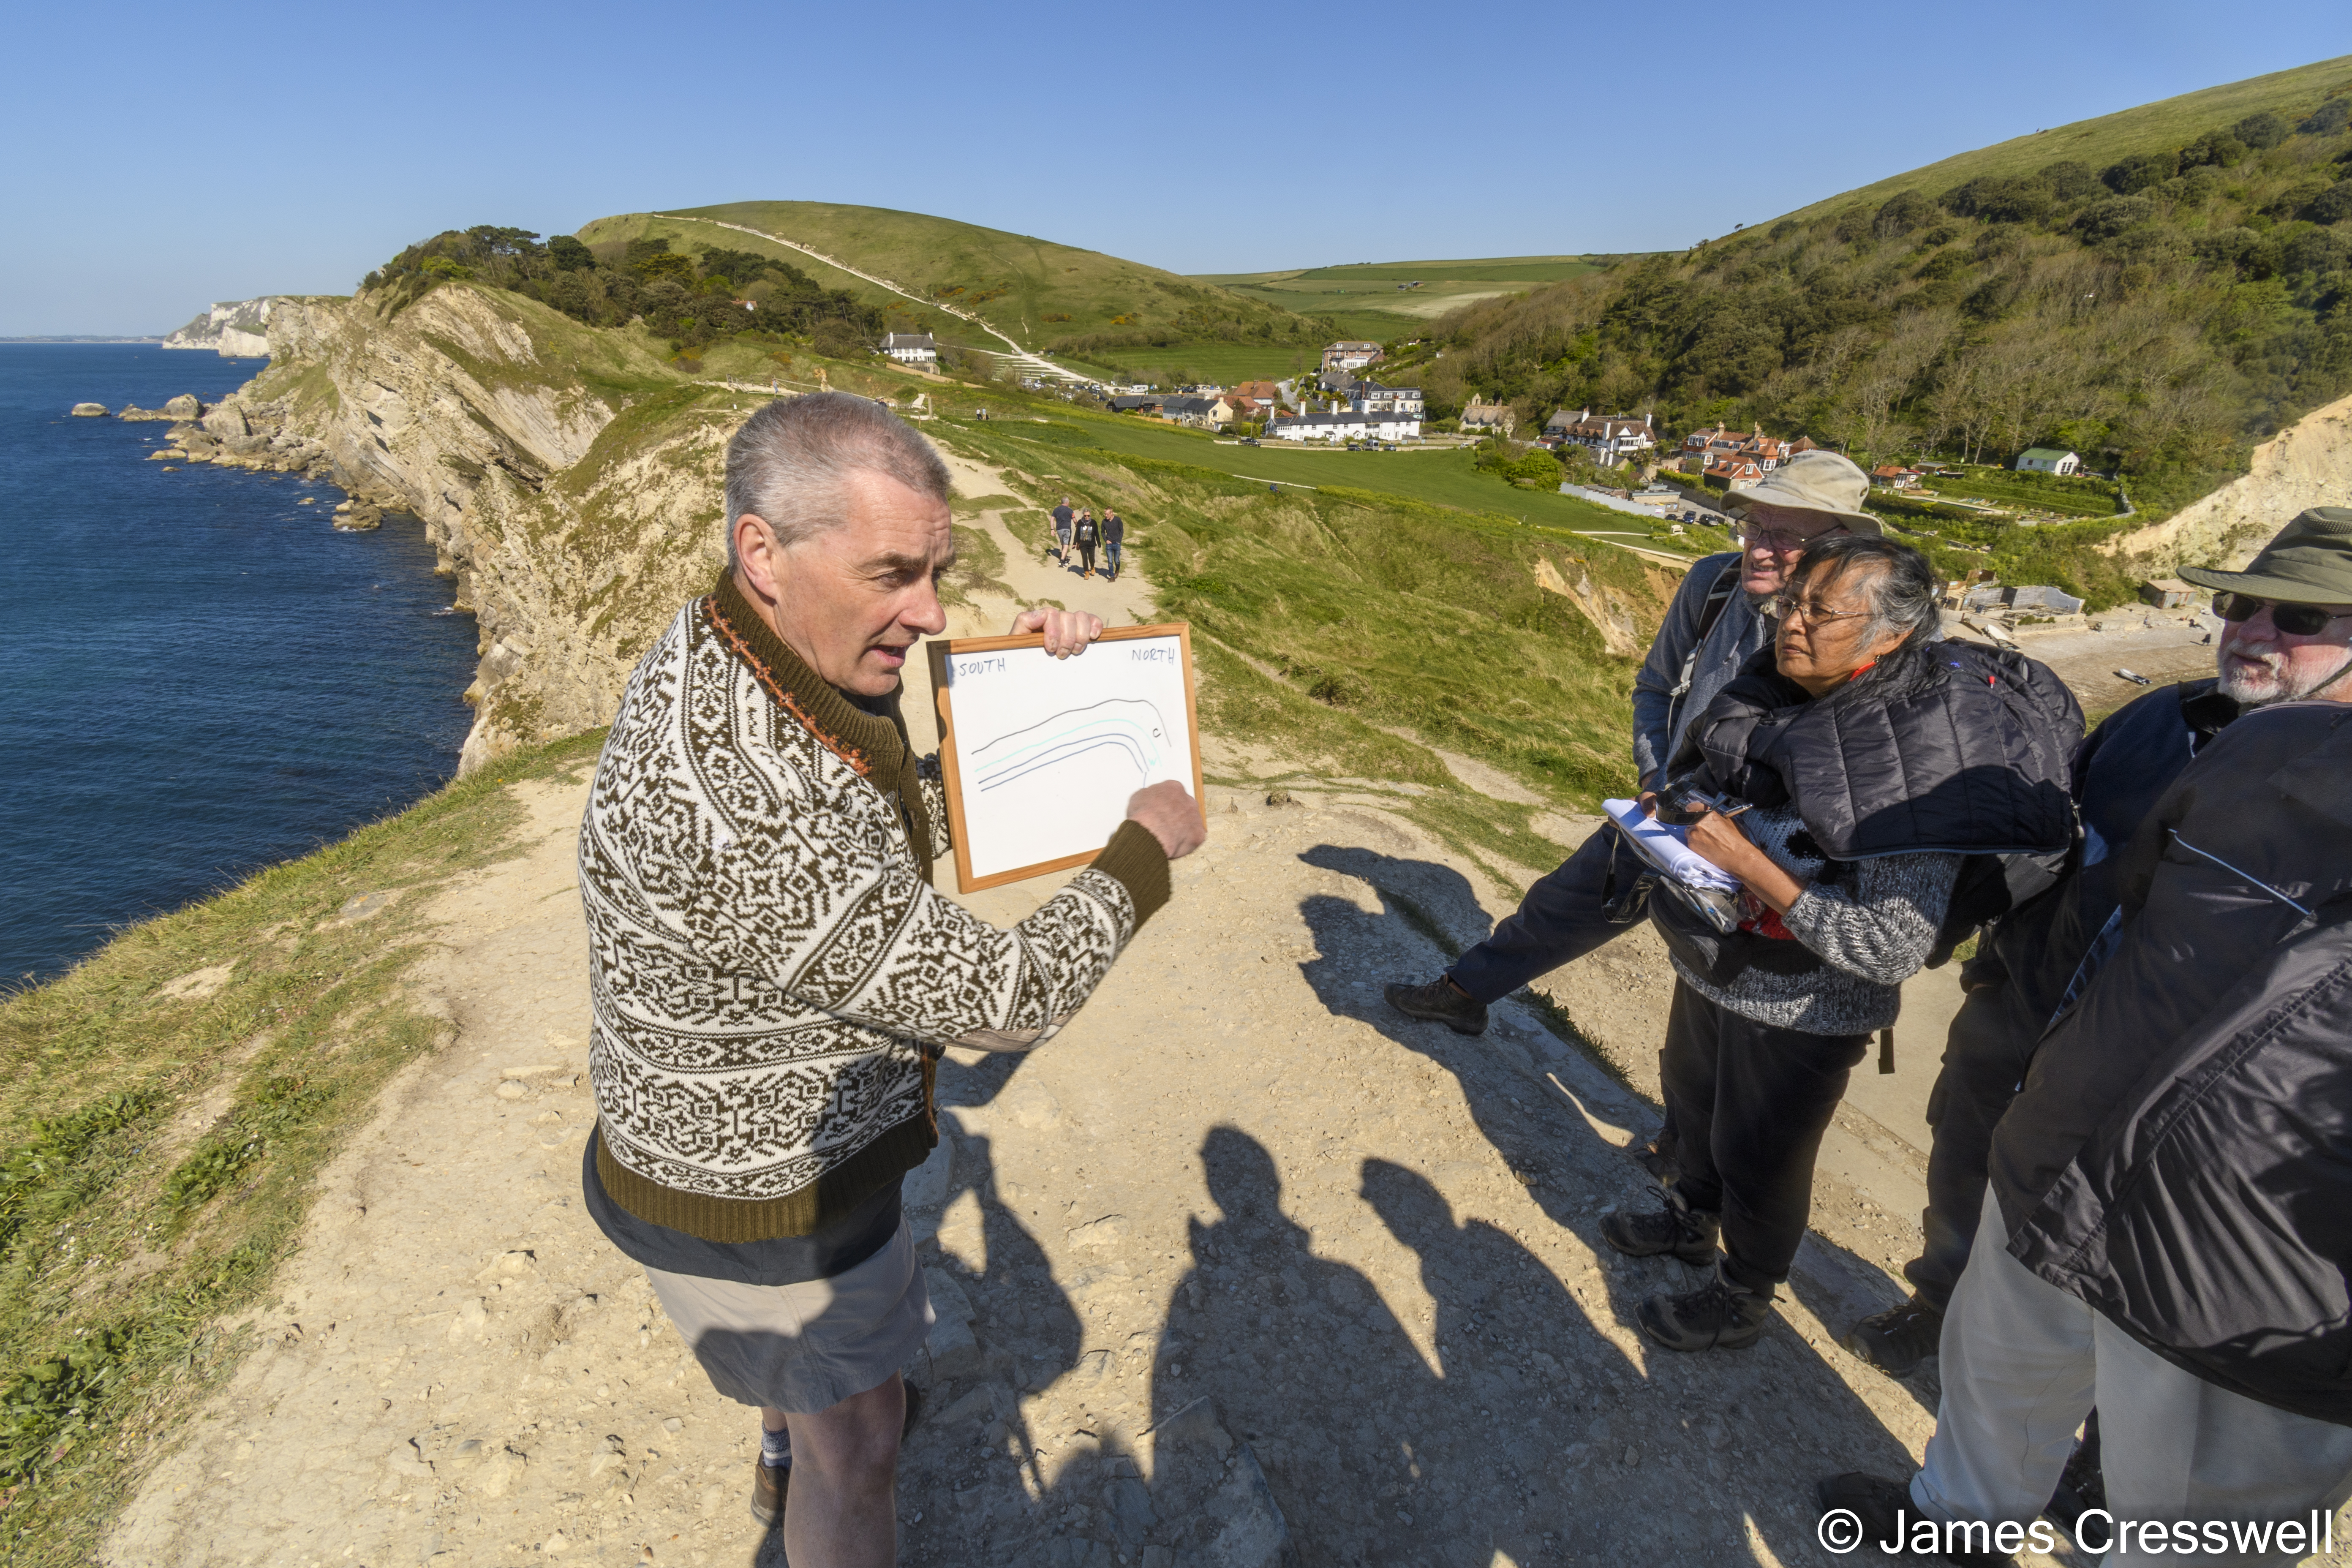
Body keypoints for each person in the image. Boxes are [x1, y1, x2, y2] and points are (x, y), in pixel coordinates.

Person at [576, 394, 1206, 1567]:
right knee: (863, 1448)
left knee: (818, 1399)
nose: (927, 611)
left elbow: (862, 798)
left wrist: (1026, 694)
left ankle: (786, 1430)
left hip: (725, 1151)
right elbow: (1009, 1001)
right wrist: (1140, 851)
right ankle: (814, 1444)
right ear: (762, 550)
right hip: (764, 1205)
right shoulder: (748, 807)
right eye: (892, 576)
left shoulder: (734, 640)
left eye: (938, 570)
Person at [1819, 538, 2352, 1560]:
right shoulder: (2203, 735)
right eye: (2241, 603)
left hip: (2246, 1278)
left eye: (2297, 618)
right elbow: (2101, 901)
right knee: (1993, 1402)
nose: (2249, 630)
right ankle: (1952, 1531)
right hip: (2057, 1160)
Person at [1598, 535, 2080, 1353]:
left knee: (1762, 1160)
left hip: (1806, 1005)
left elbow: (1890, 945)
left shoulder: (1921, 765)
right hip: (1721, 962)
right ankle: (1689, 1218)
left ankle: (1742, 1295)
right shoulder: (1781, 692)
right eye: (1791, 604)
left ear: (1892, 634)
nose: (1791, 624)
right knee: (1698, 1109)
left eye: (1820, 610)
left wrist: (1748, 862)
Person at [1386, 451, 1875, 1181]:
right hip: (1665, 810)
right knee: (1563, 903)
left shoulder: (1860, 627)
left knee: (1707, 1005)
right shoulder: (1711, 583)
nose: (1760, 545)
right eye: (1755, 523)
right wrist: (1654, 774)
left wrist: (1751, 848)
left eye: (1788, 535)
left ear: (1840, 545)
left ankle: (1681, 1154)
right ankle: (1463, 993)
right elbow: (1654, 687)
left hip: (1753, 853)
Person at [1074, 508, 1099, 578]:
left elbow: (1097, 533)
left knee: (1092, 559)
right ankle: (1087, 573)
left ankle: (1092, 567)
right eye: (1085, 516)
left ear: (1090, 515)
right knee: (1085, 559)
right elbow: (1077, 533)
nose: (1087, 517)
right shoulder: (1080, 522)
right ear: (1083, 515)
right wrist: (1074, 543)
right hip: (1083, 545)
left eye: (1088, 516)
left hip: (1092, 544)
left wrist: (1099, 543)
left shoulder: (1093, 522)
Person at [1102, 509, 1124, 581]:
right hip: (1109, 545)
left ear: (1112, 513)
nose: (1106, 516)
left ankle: (1117, 570)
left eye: (1107, 514)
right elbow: (1102, 532)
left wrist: (1119, 541)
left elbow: (1122, 531)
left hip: (1117, 544)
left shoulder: (1118, 520)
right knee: (1110, 561)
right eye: (1105, 514)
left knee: (1117, 560)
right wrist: (1106, 540)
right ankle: (1112, 577)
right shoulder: (1104, 522)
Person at [1051, 496, 1073, 564]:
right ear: (1067, 503)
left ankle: (1065, 558)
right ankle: (1062, 560)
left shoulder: (1056, 510)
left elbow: (1052, 519)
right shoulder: (1070, 510)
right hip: (1067, 529)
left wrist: (1052, 529)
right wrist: (1077, 524)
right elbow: (1075, 520)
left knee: (1063, 544)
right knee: (1066, 545)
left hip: (1059, 530)